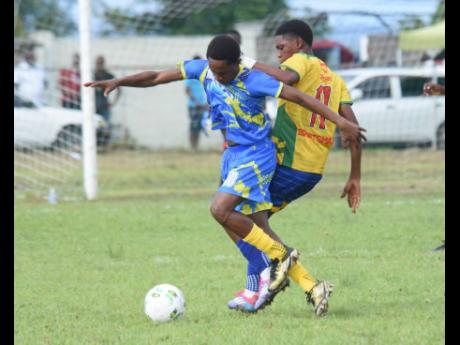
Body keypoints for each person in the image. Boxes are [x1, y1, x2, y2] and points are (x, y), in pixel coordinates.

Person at [84, 35, 365, 306]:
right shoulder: (202, 70)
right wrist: (119, 81)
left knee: (220, 209)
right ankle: (307, 286)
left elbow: (300, 97)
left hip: (256, 155)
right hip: (232, 155)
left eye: (223, 71)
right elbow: (156, 77)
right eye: (213, 70)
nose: (217, 76)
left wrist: (339, 121)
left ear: (236, 64)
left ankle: (280, 256)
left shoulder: (254, 79)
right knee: (247, 223)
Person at [226, 19, 364, 316]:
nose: (279, 54)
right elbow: (352, 128)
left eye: (281, 47)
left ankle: (264, 286)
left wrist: (245, 62)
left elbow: (285, 78)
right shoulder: (335, 80)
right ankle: (306, 286)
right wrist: (354, 175)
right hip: (310, 171)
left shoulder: (302, 61)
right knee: (251, 220)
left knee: (238, 217)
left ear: (298, 43)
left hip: (290, 163)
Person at [184, 55, 208, 150]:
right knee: (193, 126)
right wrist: (196, 102)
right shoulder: (190, 75)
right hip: (193, 106)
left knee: (199, 127)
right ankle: (192, 147)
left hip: (202, 105)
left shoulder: (201, 75)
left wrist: (206, 103)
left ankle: (196, 147)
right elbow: (187, 91)